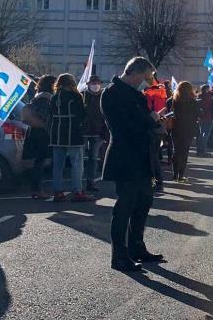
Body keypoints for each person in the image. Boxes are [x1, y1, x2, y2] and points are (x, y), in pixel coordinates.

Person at [101, 57, 164, 272]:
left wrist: (153, 120)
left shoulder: (135, 94)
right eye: (145, 77)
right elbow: (124, 125)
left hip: (142, 156)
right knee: (125, 206)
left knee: (144, 201)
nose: (146, 82)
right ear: (135, 73)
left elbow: (142, 118)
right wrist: (150, 120)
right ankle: (119, 255)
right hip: (125, 156)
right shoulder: (112, 93)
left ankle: (137, 246)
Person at [49, 74, 93, 203]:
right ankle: (77, 191)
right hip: (72, 133)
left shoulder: (54, 97)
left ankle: (58, 192)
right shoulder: (75, 97)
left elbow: (50, 114)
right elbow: (82, 115)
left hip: (56, 133)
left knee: (57, 165)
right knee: (77, 164)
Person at [24, 75, 56, 199]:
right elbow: (44, 115)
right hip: (41, 133)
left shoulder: (38, 96)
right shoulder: (45, 98)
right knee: (40, 161)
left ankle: (37, 188)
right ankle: (37, 189)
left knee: (40, 161)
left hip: (36, 131)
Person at [166, 81, 199, 182]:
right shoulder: (194, 102)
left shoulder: (171, 101)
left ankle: (174, 174)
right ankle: (181, 175)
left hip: (175, 128)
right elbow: (197, 116)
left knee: (176, 151)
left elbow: (169, 114)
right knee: (184, 152)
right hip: (189, 129)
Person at [82, 75, 107, 193]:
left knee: (93, 158)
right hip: (83, 132)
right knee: (79, 159)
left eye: (97, 83)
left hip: (98, 131)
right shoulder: (82, 95)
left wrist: (105, 131)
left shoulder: (103, 96)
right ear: (88, 84)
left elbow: (106, 115)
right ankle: (78, 183)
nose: (96, 85)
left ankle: (90, 182)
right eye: (93, 83)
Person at [144, 80, 168, 192]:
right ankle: (158, 183)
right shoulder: (161, 94)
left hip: (151, 129)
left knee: (151, 159)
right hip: (160, 128)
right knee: (154, 158)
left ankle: (154, 183)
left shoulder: (149, 95)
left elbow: (147, 112)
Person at [196, 85, 213, 157]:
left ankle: (199, 150)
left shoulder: (199, 96)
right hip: (209, 117)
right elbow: (212, 106)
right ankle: (203, 151)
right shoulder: (209, 97)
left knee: (201, 134)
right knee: (206, 134)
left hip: (201, 117)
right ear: (207, 89)